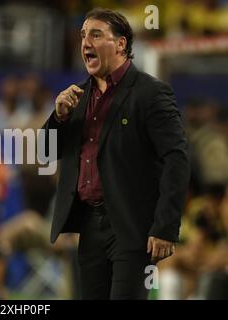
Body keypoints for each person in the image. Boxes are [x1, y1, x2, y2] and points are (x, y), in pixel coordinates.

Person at [43, 8, 190, 299]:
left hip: (134, 228)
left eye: (96, 35)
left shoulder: (151, 93)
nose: (86, 42)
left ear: (121, 44)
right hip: (89, 226)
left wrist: (166, 227)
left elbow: (177, 158)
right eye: (83, 35)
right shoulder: (76, 98)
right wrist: (58, 117)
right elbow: (45, 153)